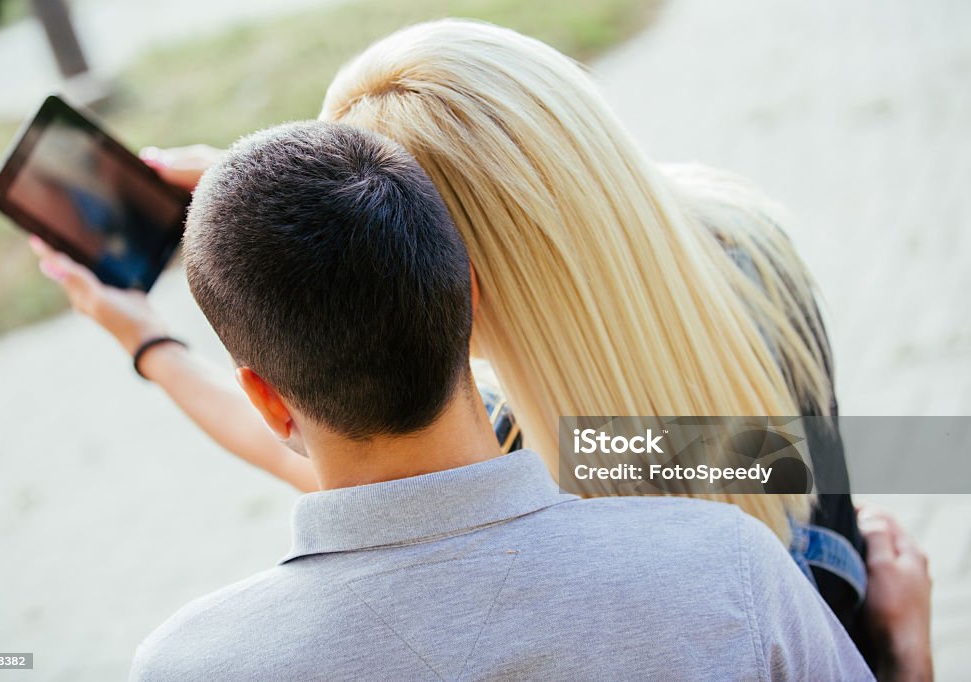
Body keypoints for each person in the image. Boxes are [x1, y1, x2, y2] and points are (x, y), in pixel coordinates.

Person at [30, 19, 910, 663]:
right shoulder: (747, 249)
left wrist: (152, 346)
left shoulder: (572, 458)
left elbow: (348, 457)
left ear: (467, 285)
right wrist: (277, 209)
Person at [128, 120, 871, 680]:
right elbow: (897, 452)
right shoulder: (718, 550)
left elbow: (357, 484)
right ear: (471, 295)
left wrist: (162, 337)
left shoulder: (183, 663)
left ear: (266, 395)